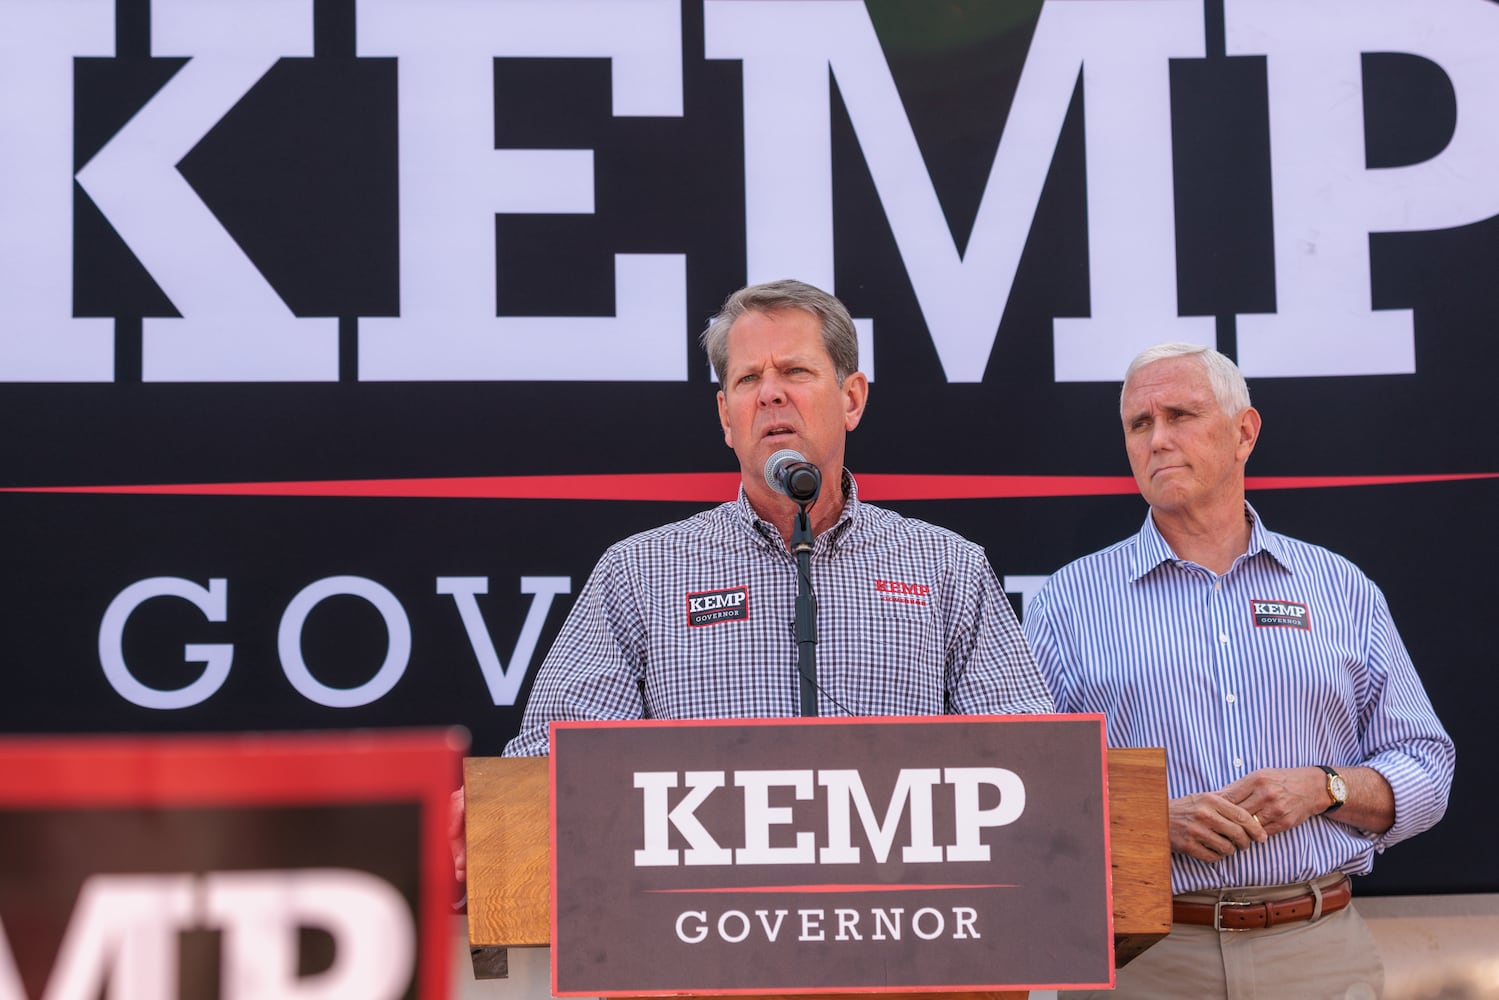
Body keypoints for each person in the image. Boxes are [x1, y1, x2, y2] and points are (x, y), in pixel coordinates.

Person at [1022, 342, 1454, 998]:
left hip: (1316, 950)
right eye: (1139, 424)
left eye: (1180, 415)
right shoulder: (1066, 601)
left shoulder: (1339, 588)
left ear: (1242, 432)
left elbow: (1425, 767)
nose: (1157, 439)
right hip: (1143, 958)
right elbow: (1021, 790)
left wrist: (1325, 787)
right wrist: (1146, 820)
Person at [503, 278, 1053, 755]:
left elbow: (1032, 756)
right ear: (725, 416)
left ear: (852, 400)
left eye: (794, 371)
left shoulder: (948, 567)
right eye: (747, 380)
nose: (770, 394)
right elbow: (551, 768)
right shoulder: (640, 573)